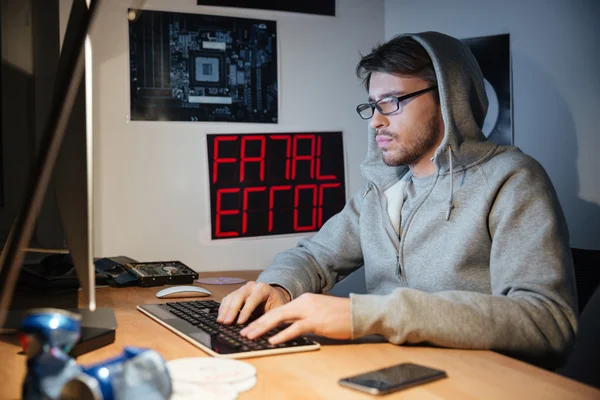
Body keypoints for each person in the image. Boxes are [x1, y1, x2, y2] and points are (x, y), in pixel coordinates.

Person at [217, 31, 577, 368]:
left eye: (390, 103)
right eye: (372, 105)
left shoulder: (513, 179)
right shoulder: (383, 189)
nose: (375, 122)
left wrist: (366, 315)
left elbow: (547, 321)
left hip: (473, 381)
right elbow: (314, 256)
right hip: (389, 370)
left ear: (448, 99)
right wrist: (279, 287)